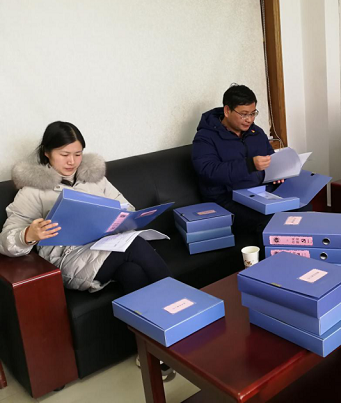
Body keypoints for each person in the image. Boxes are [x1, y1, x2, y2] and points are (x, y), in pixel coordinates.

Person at [0, 121, 172, 294]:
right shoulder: (32, 190)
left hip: (103, 246)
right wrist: (28, 235)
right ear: (47, 152)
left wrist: (123, 219)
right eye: (64, 154)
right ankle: (179, 297)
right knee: (136, 245)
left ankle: (160, 310)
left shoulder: (94, 178)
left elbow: (126, 207)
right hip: (67, 258)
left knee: (132, 271)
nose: (72, 161)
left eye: (78, 154)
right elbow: (5, 240)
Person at [192, 84, 275, 244]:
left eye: (253, 113)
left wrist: (279, 174)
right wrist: (249, 165)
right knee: (269, 220)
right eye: (244, 114)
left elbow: (270, 158)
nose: (249, 119)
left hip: (260, 194)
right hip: (226, 199)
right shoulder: (205, 137)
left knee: (301, 209)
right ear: (227, 111)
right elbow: (208, 171)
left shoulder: (256, 133)